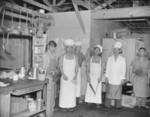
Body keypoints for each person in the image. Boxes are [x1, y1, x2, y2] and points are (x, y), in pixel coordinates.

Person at [105, 41, 126, 110]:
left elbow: (124, 70)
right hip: (111, 78)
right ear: (113, 50)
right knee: (109, 92)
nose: (116, 51)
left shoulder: (122, 59)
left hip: (118, 79)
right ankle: (107, 105)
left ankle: (118, 106)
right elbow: (107, 68)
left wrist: (123, 79)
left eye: (118, 49)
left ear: (120, 50)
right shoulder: (109, 58)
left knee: (118, 93)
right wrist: (106, 77)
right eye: (115, 49)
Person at [59, 39, 79, 112]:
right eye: (68, 47)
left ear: (72, 48)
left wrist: (75, 76)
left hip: (72, 77)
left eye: (71, 47)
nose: (69, 49)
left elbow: (76, 68)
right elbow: (61, 66)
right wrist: (63, 74)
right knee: (64, 91)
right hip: (64, 77)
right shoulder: (62, 57)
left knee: (71, 92)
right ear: (65, 48)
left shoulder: (75, 57)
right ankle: (64, 106)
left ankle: (70, 106)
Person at [41, 40, 58, 113]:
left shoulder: (54, 55)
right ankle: (48, 110)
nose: (53, 48)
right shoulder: (45, 55)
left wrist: (55, 72)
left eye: (54, 47)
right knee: (48, 94)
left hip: (53, 76)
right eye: (52, 47)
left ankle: (52, 108)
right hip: (48, 77)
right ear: (48, 47)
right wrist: (50, 73)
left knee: (53, 94)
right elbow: (44, 68)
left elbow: (55, 67)